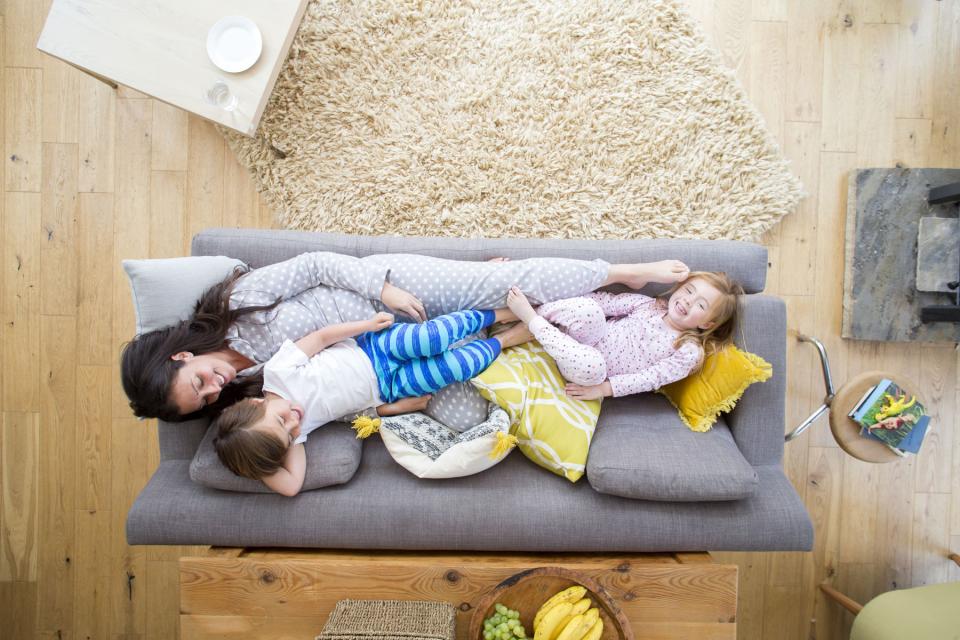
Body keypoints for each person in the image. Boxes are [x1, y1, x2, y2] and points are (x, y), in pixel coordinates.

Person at [120, 250, 687, 421]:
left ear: (182, 355)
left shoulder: (240, 305)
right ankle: (505, 315)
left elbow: (317, 264)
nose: (215, 389)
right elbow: (320, 399)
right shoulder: (250, 389)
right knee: (511, 315)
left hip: (387, 293)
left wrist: (384, 291)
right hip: (390, 348)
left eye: (199, 382)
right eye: (206, 400)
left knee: (506, 283)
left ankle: (618, 274)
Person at [211, 308, 529, 496]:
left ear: (254, 403)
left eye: (282, 419)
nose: (295, 420)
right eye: (289, 432)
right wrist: (258, 461)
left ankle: (499, 314)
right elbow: (291, 485)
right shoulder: (297, 433)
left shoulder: (278, 373)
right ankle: (504, 339)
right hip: (390, 388)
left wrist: (366, 325)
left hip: (374, 349)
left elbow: (321, 338)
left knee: (430, 338)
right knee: (454, 369)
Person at [505, 269, 744, 401]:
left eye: (701, 305)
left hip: (588, 368)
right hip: (586, 336)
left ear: (707, 323)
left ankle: (531, 320)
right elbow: (603, 302)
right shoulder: (649, 305)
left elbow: (650, 378)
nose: (688, 302)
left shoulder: (687, 350)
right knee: (591, 310)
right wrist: (569, 307)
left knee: (594, 365)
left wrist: (603, 390)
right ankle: (529, 315)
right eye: (689, 291)